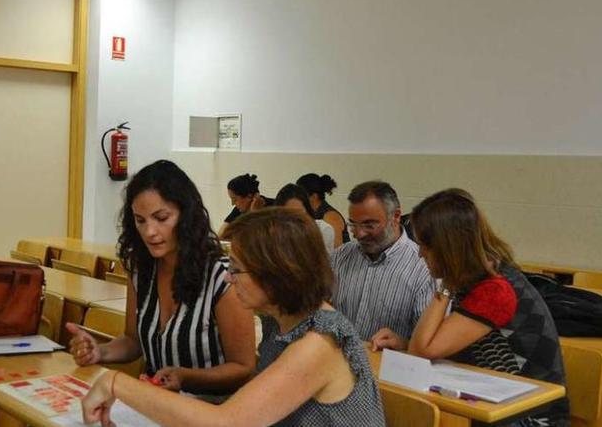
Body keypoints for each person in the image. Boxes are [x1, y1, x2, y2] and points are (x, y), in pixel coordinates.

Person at [80, 208, 386, 427]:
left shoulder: (320, 341)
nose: (228, 278)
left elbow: (228, 422)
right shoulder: (280, 321)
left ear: (276, 275)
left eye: (237, 269)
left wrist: (116, 383)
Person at [371, 189, 570, 426]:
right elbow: (451, 347)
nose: (420, 253)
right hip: (493, 403)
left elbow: (422, 350)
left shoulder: (496, 289)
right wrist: (404, 343)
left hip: (529, 417)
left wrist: (445, 284)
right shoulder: (476, 279)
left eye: (426, 245)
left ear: (448, 248)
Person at [66, 160, 256, 395]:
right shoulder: (140, 269)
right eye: (140, 220)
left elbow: (243, 368)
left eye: (162, 218)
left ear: (186, 215)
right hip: (156, 405)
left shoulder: (223, 277)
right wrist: (100, 352)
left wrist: (186, 377)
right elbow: (133, 340)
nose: (150, 232)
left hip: (210, 412)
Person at [330, 180, 434, 341]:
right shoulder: (340, 257)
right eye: (353, 224)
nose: (359, 234)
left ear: (396, 216)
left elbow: (429, 344)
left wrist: (404, 345)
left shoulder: (424, 269)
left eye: (369, 225)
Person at [274, 183, 335, 253]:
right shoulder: (272, 233)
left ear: (308, 211)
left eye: (299, 214)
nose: (294, 220)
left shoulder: (322, 230)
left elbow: (323, 261)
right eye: (288, 215)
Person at [296, 173, 349, 247]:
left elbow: (336, 251)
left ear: (314, 196)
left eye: (300, 195)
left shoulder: (330, 216)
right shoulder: (311, 214)